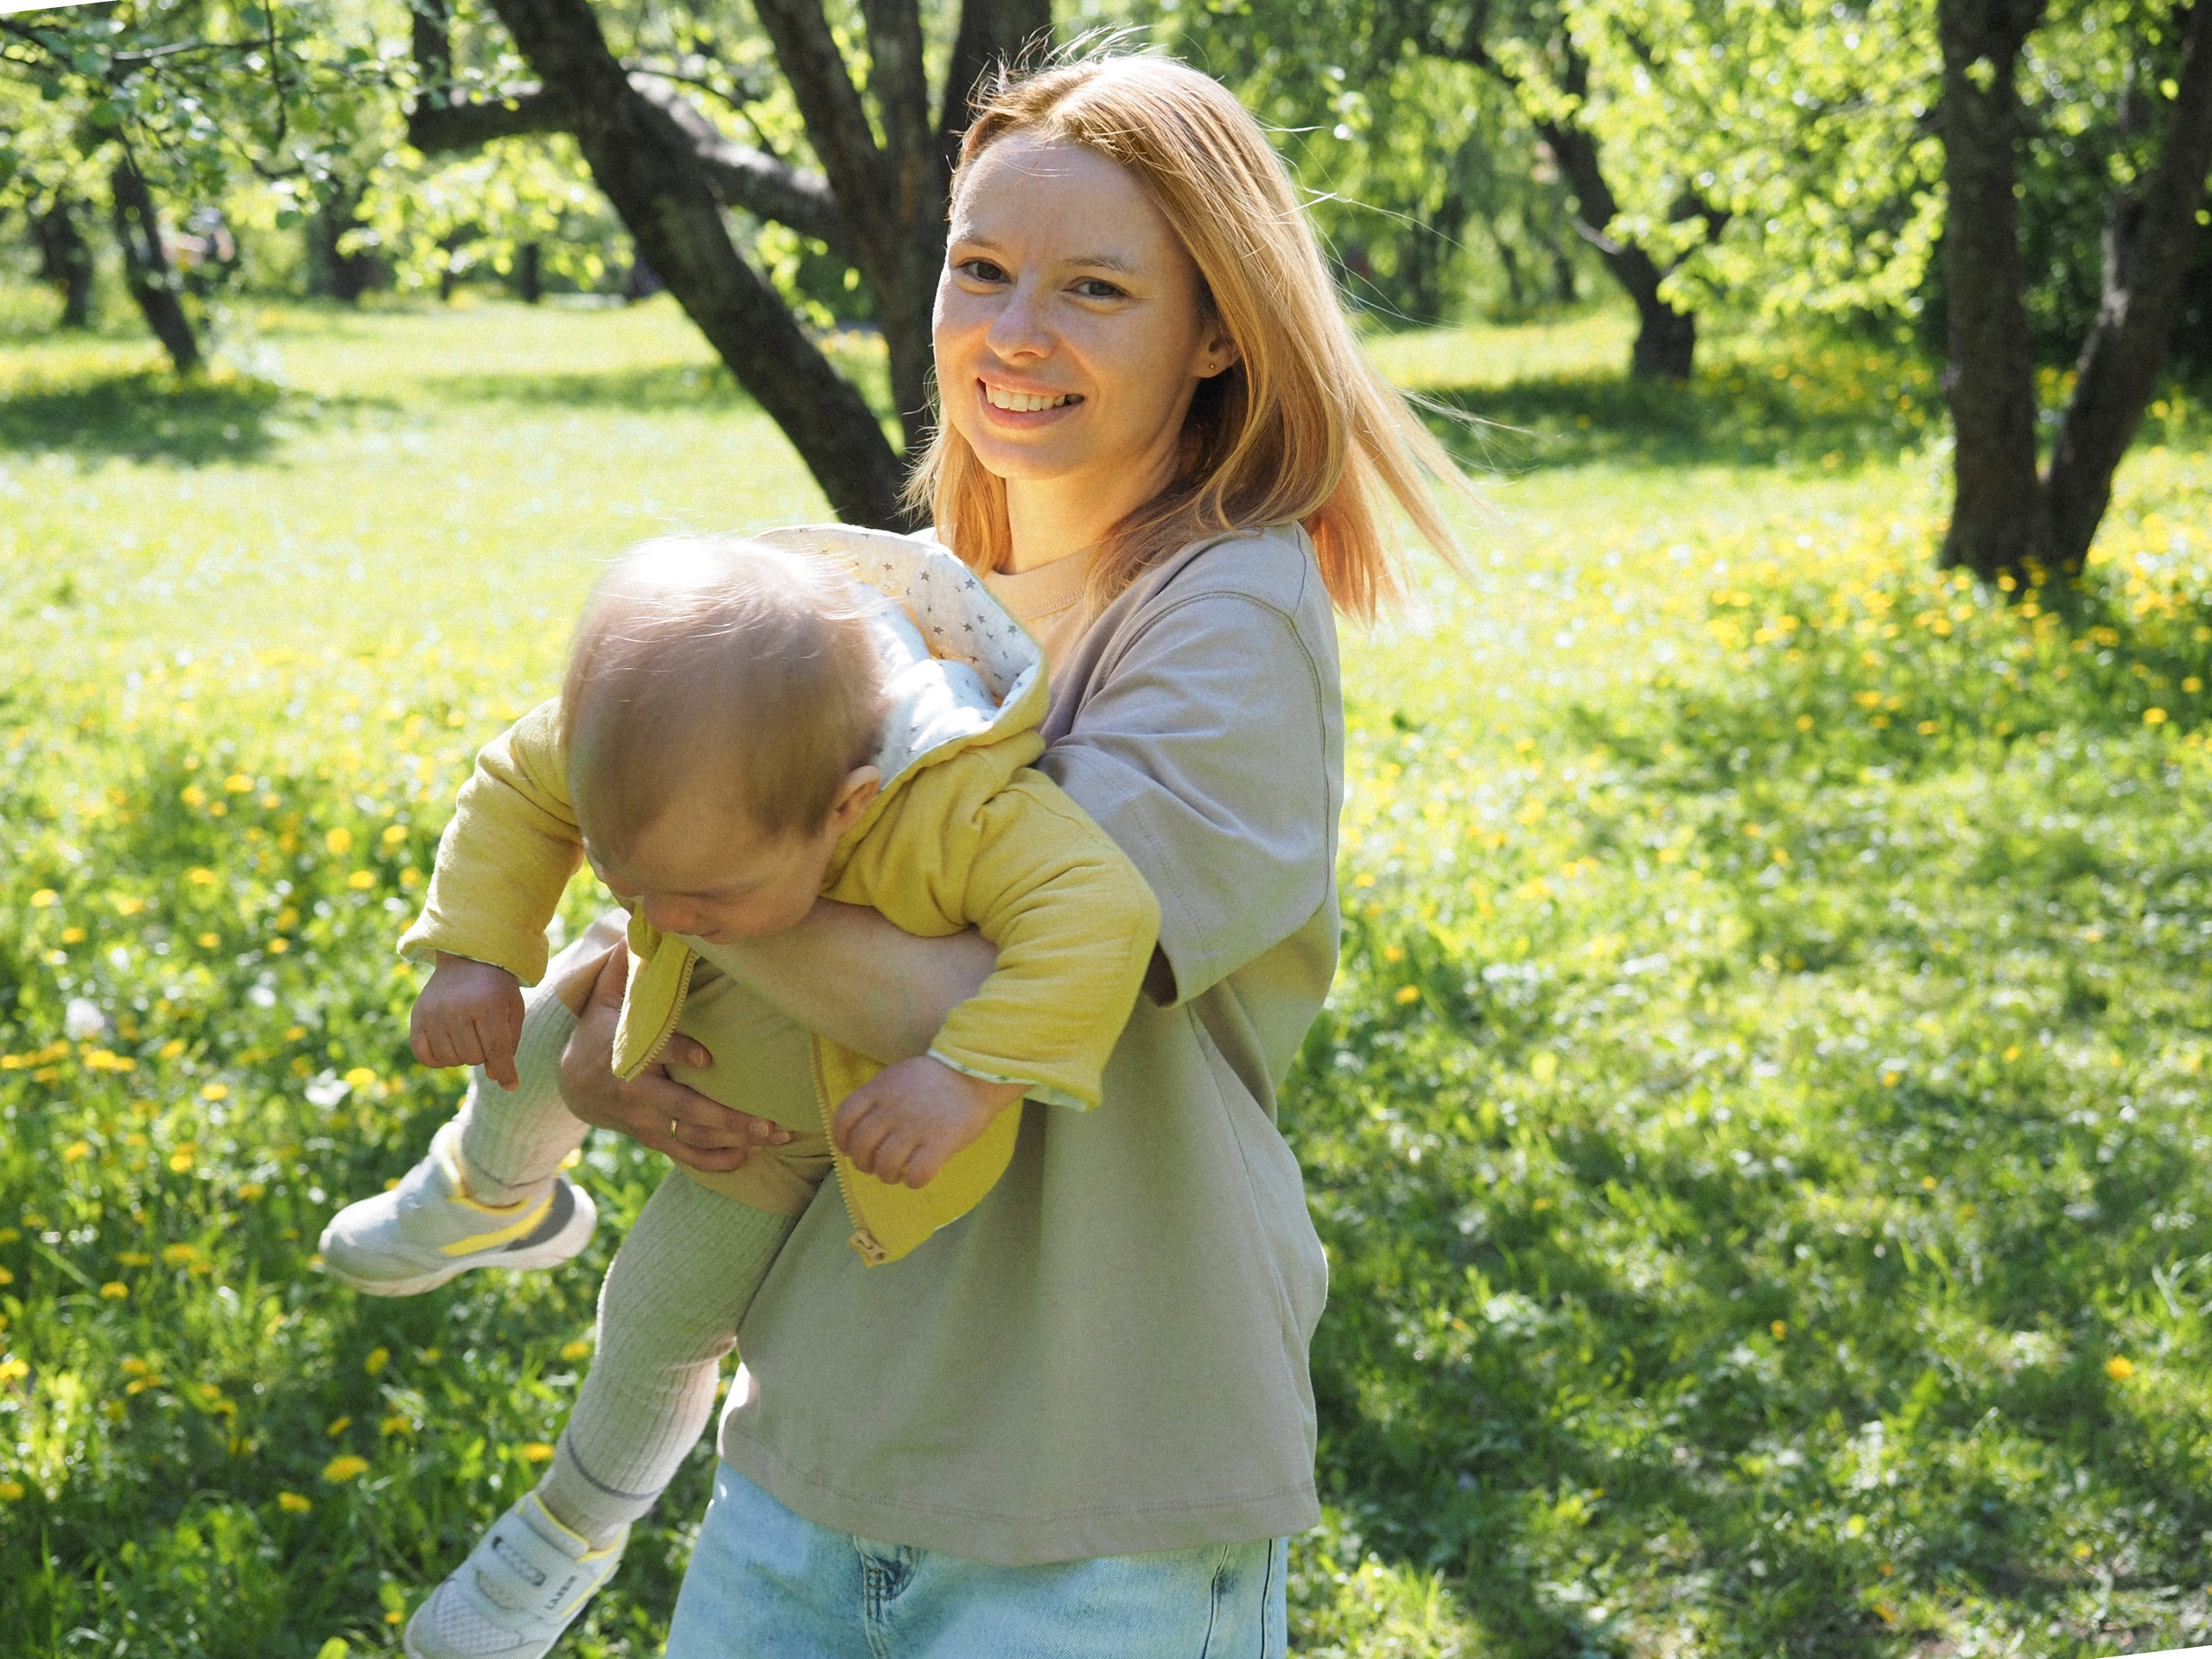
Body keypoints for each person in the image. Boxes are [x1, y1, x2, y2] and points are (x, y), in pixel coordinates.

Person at [538, 50, 1479, 1658]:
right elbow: (777, 986)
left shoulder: (1226, 608)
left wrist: (688, 894)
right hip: (810, 1453)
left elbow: (983, 987)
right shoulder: (904, 610)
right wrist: (602, 1033)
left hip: (1095, 1495)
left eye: (1095, 288)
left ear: (1214, 339)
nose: (1013, 331)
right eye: (980, 268)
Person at [318, 531, 1160, 1659]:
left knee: (657, 1315)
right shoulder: (659, 743)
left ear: (849, 808)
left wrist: (968, 1075)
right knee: (546, 1021)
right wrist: (474, 953)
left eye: (711, 888)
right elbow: (521, 780)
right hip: (661, 1007)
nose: (665, 906)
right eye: (631, 877)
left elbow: (1100, 914)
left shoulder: (955, 809)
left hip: (775, 1130)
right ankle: (488, 1193)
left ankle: (567, 1536)